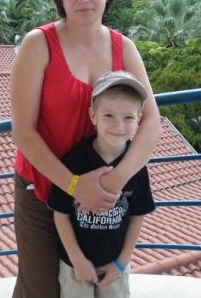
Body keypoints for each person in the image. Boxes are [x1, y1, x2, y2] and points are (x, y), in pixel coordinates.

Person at [10, 0, 162, 297]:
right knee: (40, 288)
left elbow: (151, 120)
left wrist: (116, 180)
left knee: (97, 284)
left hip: (106, 197)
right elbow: (23, 131)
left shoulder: (124, 47)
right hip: (44, 188)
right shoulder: (39, 44)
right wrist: (76, 187)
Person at [48, 70, 156, 298]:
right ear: (93, 115)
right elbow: (60, 214)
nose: (118, 125)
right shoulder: (74, 160)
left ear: (138, 120)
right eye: (109, 115)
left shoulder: (135, 165)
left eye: (128, 118)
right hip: (74, 266)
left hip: (115, 265)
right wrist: (77, 260)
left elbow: (138, 215)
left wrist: (121, 263)